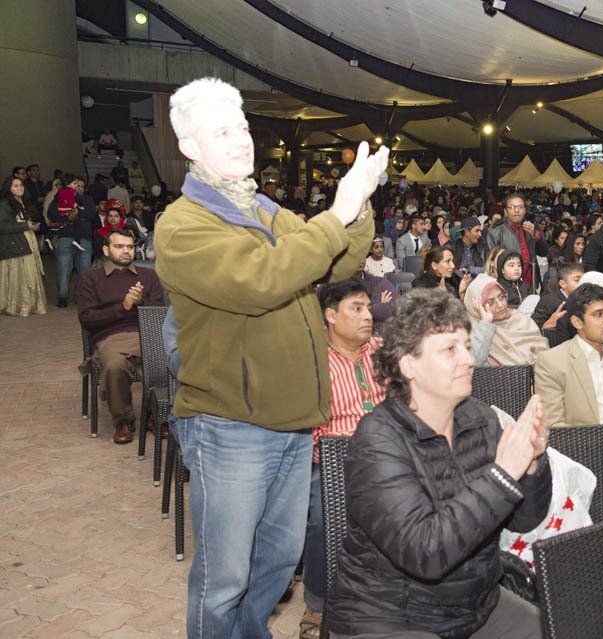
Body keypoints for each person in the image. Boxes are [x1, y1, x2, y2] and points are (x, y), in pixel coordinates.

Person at [154, 77, 388, 638]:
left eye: (242, 128)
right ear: (190, 147)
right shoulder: (182, 225)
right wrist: (336, 215)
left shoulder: (264, 209)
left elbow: (331, 264)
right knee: (225, 577)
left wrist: (356, 210)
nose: (241, 140)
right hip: (229, 423)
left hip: (292, 419)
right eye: (222, 132)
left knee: (277, 564)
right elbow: (263, 278)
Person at [325, 288, 551, 639]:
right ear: (408, 364)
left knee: (556, 627)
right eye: (450, 349)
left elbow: (523, 519)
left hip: (475, 607)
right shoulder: (376, 442)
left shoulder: (480, 418)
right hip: (390, 616)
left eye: (466, 345)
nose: (469, 359)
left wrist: (533, 464)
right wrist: (504, 473)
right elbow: (426, 553)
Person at [302, 280, 386, 638]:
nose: (367, 316)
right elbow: (305, 423)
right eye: (357, 308)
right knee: (322, 522)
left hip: (386, 457)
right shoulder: (312, 358)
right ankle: (319, 602)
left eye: (368, 308)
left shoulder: (384, 351)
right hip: (333, 462)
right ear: (330, 315)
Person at [534, 283, 603, 510]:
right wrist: (599, 448)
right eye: (598, 314)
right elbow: (556, 427)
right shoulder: (553, 362)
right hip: (590, 455)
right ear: (577, 322)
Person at [78, 228, 165, 442]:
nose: (126, 251)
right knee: (115, 364)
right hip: (110, 336)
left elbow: (159, 312)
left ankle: (155, 414)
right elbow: (87, 319)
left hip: (146, 333)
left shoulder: (149, 276)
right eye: (119, 246)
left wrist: (140, 302)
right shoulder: (92, 278)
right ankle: (124, 420)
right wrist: (123, 306)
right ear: (106, 250)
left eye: (130, 246)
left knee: (166, 358)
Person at [466, 274, 548, 366]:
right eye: (490, 302)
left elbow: (544, 354)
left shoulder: (520, 318)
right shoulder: (473, 329)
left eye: (501, 297)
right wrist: (485, 323)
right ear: (477, 307)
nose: (500, 305)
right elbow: (474, 362)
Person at [49, 175, 98, 308]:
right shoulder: (60, 197)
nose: (79, 188)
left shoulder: (87, 199)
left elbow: (92, 214)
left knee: (84, 270)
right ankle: (62, 297)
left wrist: (77, 214)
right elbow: (51, 213)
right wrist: (67, 216)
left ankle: (80, 296)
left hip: (84, 238)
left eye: (82, 186)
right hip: (66, 236)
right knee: (63, 269)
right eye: (76, 185)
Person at [0, 176, 46, 316]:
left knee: (31, 274)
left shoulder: (24, 203)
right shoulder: (4, 204)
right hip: (15, 245)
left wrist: (33, 226)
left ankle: (32, 305)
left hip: (28, 241)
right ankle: (19, 306)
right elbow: (2, 226)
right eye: (16, 186)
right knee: (20, 276)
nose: (20, 188)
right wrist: (25, 225)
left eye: (21, 185)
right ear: (9, 188)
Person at [486, 193, 545, 293]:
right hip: (508, 285)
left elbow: (543, 252)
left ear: (525, 210)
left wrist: (537, 235)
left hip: (531, 282)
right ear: (505, 211)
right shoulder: (495, 233)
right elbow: (493, 264)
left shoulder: (530, 228)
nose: (517, 211)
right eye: (512, 207)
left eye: (520, 207)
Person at [531, 262, 583, 329]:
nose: (582, 283)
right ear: (563, 284)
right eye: (577, 280)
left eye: (583, 279)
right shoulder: (548, 301)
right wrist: (547, 324)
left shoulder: (585, 300)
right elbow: (533, 327)